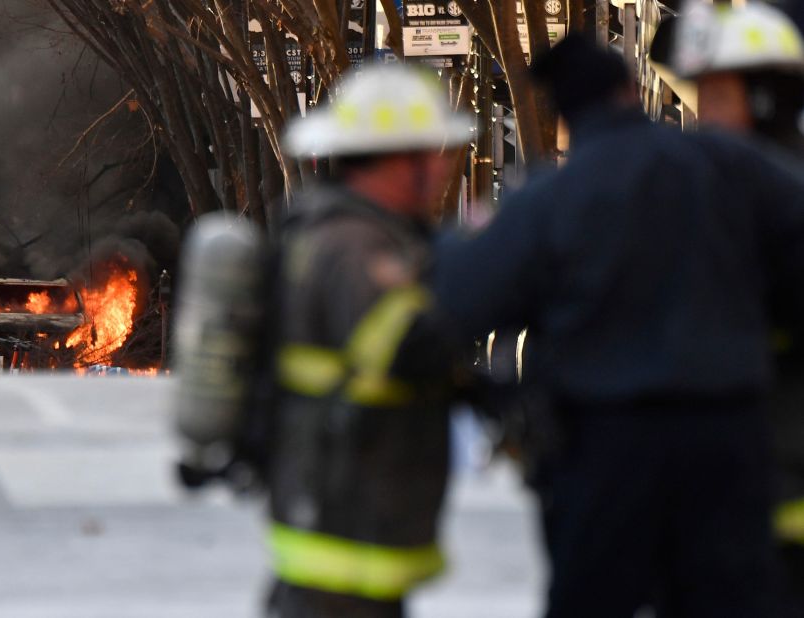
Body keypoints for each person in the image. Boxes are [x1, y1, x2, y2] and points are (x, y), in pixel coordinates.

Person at [434, 32, 804, 618]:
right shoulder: (726, 164)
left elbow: (461, 299)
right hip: (727, 433)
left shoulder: (549, 198)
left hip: (607, 444)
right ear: (632, 91)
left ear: (562, 112)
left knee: (593, 599)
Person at [264, 65, 471, 618]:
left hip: (348, 507)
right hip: (345, 513)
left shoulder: (337, 231)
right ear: (404, 161)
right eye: (436, 152)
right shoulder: (355, 246)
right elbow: (407, 346)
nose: (445, 166)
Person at [671, 4, 804, 614]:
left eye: (721, 95)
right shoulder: (699, 186)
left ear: (769, 94)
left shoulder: (772, 193)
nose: (707, 114)